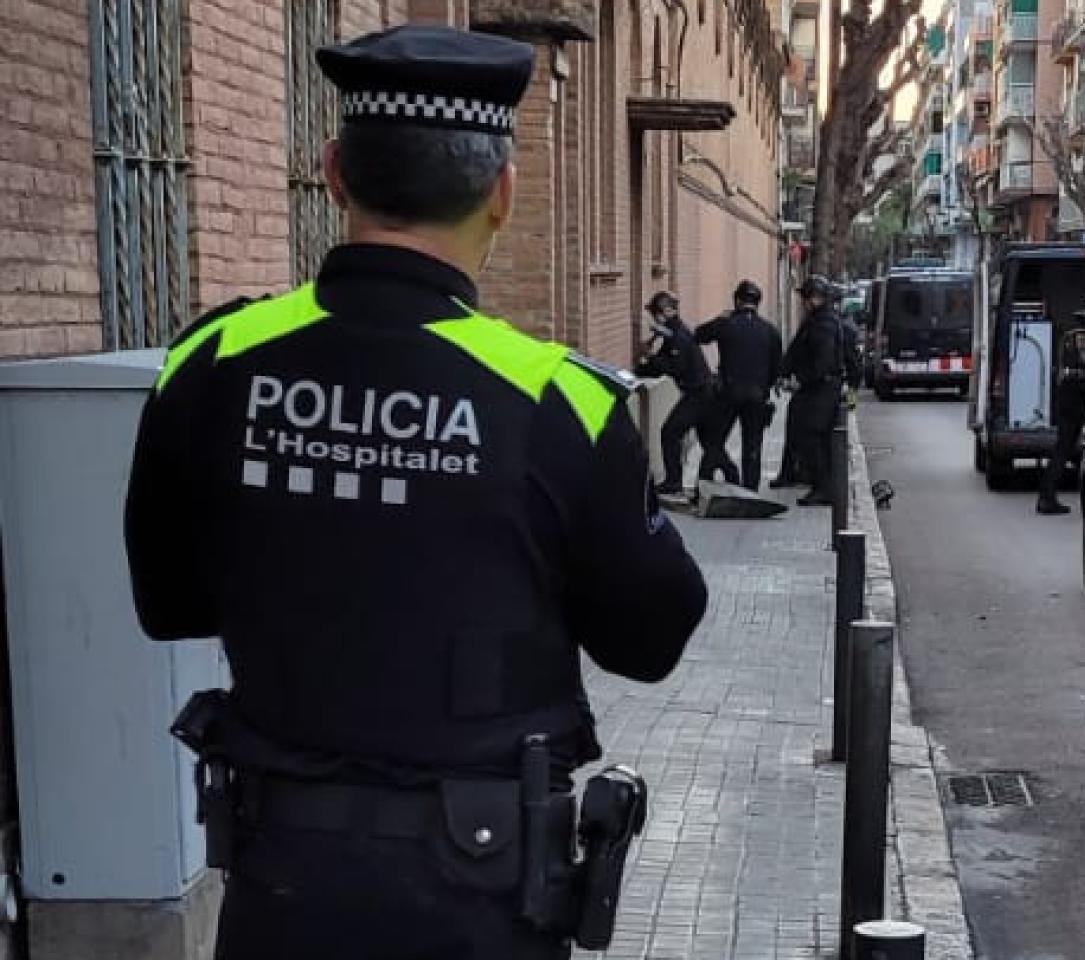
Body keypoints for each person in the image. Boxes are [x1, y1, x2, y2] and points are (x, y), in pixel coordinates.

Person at [123, 25, 707, 960]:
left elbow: (168, 603)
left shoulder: (211, 360)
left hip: (282, 890)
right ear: (503, 195)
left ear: (332, 174)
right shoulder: (558, 401)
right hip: (479, 903)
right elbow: (652, 639)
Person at [636, 289, 738, 494]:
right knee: (711, 444)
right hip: (703, 395)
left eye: (656, 314)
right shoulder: (672, 335)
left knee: (670, 432)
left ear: (666, 312)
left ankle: (673, 482)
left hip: (699, 395)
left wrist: (651, 356)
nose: (654, 319)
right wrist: (642, 368)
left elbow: (675, 367)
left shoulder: (679, 336)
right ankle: (733, 477)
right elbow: (659, 368)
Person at [694, 280, 783, 491]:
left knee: (714, 441)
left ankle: (703, 487)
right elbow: (777, 367)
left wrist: (721, 317)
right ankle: (750, 491)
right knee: (752, 445)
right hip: (757, 395)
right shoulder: (770, 331)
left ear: (737, 300)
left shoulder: (726, 324)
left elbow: (699, 335)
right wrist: (765, 387)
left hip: (728, 393)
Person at [782, 275, 845, 507]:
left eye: (806, 298)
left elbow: (823, 361)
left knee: (814, 437)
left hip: (821, 390)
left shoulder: (824, 324)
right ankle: (817, 484)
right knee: (808, 435)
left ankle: (823, 488)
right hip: (815, 388)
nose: (803, 303)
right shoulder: (816, 320)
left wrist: (802, 380)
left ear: (815, 298)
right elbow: (798, 349)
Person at [1037, 305, 1085, 515]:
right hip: (1079, 396)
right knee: (1070, 448)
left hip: (1067, 395)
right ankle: (1047, 496)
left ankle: (1047, 495)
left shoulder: (1071, 336)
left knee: (1064, 448)